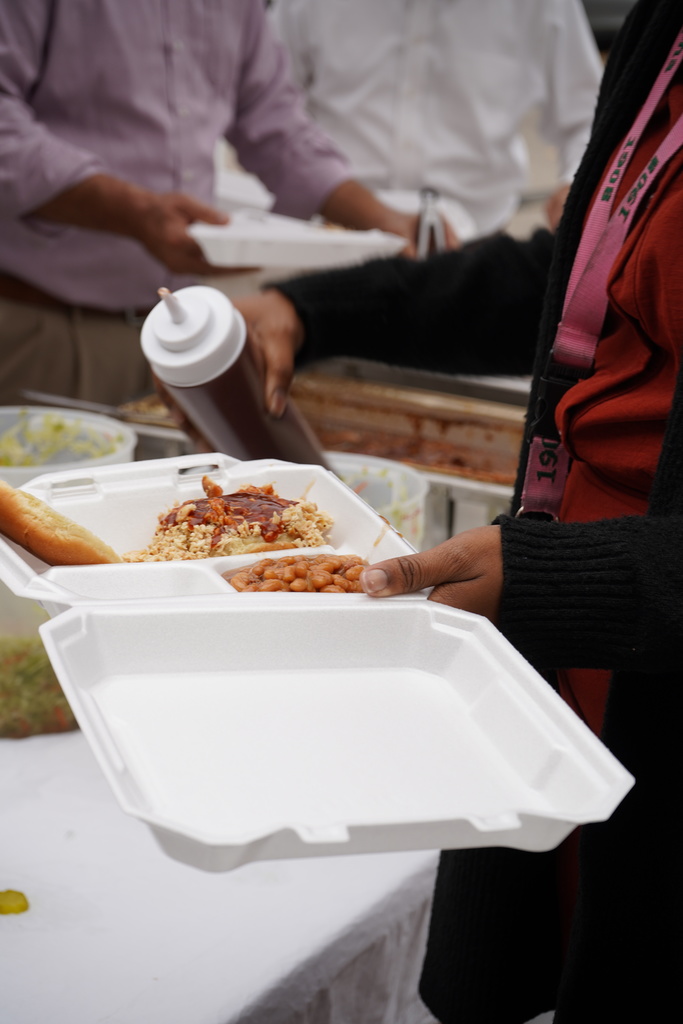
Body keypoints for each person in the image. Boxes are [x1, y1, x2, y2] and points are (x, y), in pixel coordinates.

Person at [234, 0, 683, 1019]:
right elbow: (563, 279)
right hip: (568, 647)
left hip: (635, 649)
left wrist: (551, 577)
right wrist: (318, 310)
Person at [0, 0, 418, 408]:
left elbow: (272, 119)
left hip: (186, 333)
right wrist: (135, 213)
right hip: (47, 327)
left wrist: (382, 222)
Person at [269, 0, 603, 241]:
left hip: (473, 250)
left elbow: (588, 111)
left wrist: (577, 183)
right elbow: (268, 106)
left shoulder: (542, 6)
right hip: (333, 235)